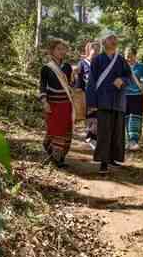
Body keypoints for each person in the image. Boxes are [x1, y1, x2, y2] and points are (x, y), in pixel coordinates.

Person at [86, 33, 132, 175]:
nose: (114, 41)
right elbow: (91, 81)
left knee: (117, 131)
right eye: (110, 39)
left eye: (115, 39)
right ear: (103, 42)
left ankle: (114, 158)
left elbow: (129, 76)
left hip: (119, 100)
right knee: (104, 132)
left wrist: (122, 80)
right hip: (103, 100)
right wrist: (92, 102)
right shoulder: (98, 60)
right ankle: (103, 162)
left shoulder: (121, 60)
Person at [39, 39, 74, 168]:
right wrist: (44, 101)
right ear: (52, 51)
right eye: (58, 49)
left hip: (66, 104)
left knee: (65, 131)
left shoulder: (67, 67)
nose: (61, 51)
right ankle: (53, 156)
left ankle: (60, 158)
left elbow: (70, 85)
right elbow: (42, 87)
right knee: (54, 130)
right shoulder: (46, 68)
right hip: (53, 104)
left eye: (63, 49)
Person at [124, 47, 143, 151]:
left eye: (130, 55)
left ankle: (134, 141)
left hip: (137, 96)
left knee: (135, 118)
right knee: (125, 118)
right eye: (126, 55)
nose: (128, 58)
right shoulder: (122, 66)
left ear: (135, 55)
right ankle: (126, 141)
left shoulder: (140, 67)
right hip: (124, 96)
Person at [75, 41, 101, 150]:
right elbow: (79, 78)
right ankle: (91, 137)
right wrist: (78, 89)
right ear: (89, 50)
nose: (96, 52)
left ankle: (92, 137)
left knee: (97, 117)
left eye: (98, 50)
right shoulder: (82, 63)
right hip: (86, 95)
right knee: (90, 117)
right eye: (94, 49)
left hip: (99, 94)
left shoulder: (100, 63)